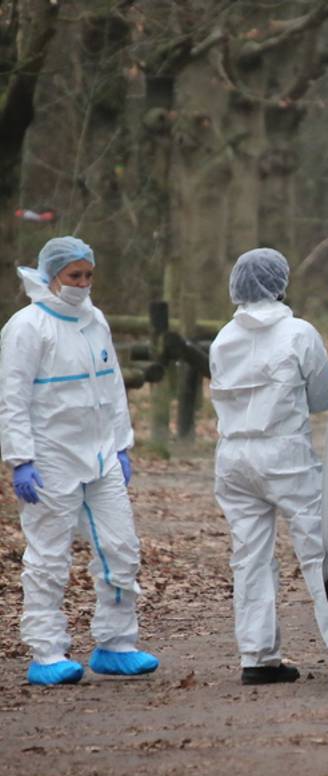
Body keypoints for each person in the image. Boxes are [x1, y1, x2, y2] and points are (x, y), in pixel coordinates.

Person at [0, 236, 158, 684]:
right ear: (52, 276)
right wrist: (20, 458)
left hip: (101, 455)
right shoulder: (27, 327)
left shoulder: (95, 320)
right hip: (51, 458)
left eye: (88, 275)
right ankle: (47, 651)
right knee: (49, 557)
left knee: (121, 548)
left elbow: (112, 386)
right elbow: (11, 397)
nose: (83, 284)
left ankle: (116, 643)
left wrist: (121, 445)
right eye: (74, 276)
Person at [210, 248, 328, 684]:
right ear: (280, 283)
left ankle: (257, 657)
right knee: (318, 551)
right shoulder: (298, 333)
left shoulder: (223, 338)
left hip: (233, 456)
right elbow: (324, 397)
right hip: (284, 454)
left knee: (249, 556)